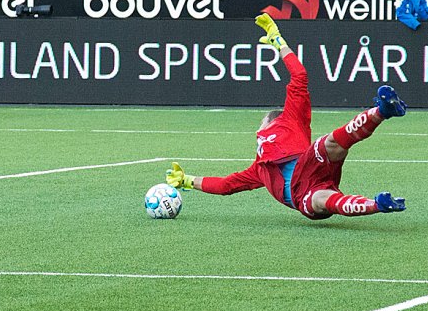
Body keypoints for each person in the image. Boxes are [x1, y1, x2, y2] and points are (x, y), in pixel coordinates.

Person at [166, 16, 408, 221]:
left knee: (329, 144)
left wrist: (277, 40)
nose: (258, 130)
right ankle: (378, 204)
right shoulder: (259, 169)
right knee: (321, 199)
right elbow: (225, 186)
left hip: (309, 164)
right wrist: (187, 180)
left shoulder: (290, 118)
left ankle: (382, 111)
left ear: (269, 121)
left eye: (260, 124)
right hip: (303, 195)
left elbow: (299, 75)